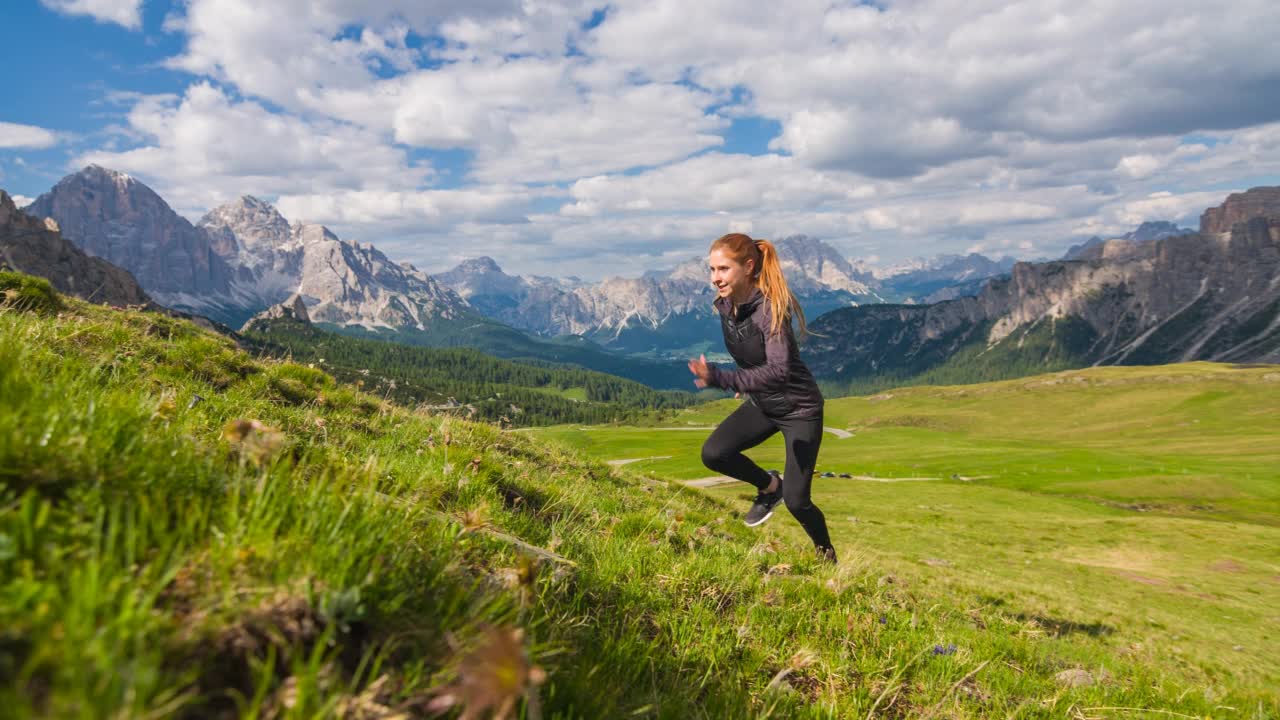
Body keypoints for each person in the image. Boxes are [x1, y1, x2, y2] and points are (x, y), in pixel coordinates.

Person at [687, 233, 837, 564]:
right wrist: (748, 380)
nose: (715, 278)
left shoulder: (770, 310)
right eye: (712, 269)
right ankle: (770, 487)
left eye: (723, 269)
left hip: (799, 411)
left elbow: (780, 370)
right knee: (714, 453)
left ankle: (826, 556)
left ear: (749, 266)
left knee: (799, 502)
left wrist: (725, 378)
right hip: (764, 404)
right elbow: (753, 357)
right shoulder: (726, 306)